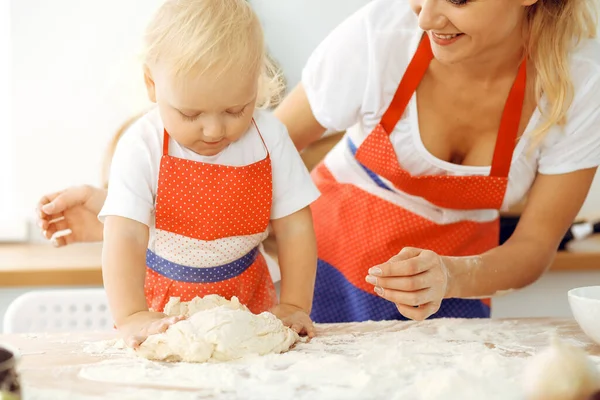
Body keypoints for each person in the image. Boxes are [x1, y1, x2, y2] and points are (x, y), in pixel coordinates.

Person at [38, 0, 600, 324]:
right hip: (324, 273)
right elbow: (249, 162)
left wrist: (454, 276)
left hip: (453, 293)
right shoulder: (380, 36)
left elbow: (531, 250)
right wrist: (133, 211)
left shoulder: (583, 81)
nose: (426, 17)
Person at [40, 0, 322, 345]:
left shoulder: (270, 138)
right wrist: (132, 316)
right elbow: (124, 236)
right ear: (152, 84)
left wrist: (293, 304)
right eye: (190, 114)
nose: (214, 130)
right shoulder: (141, 146)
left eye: (237, 109)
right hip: (162, 310)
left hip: (251, 304)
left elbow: (295, 227)